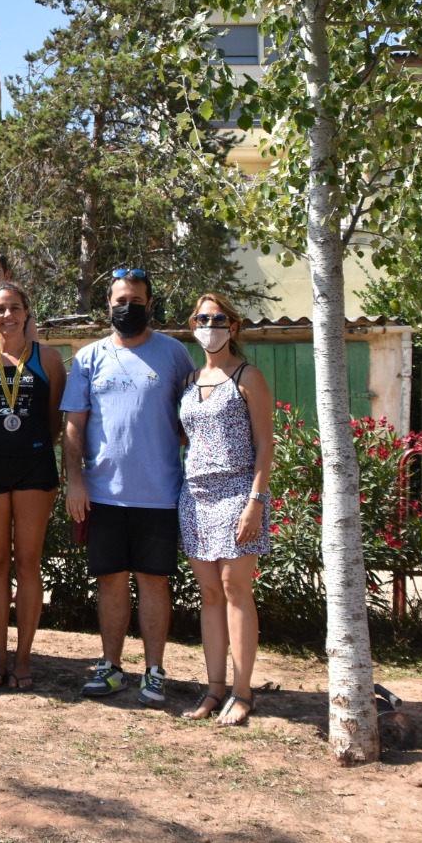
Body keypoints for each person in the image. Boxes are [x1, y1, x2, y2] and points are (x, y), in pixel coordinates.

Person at [61, 267, 195, 707]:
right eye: (120, 301)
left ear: (150, 304)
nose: (127, 308)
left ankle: (154, 672)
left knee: (154, 582)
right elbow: (73, 426)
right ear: (108, 306)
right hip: (102, 495)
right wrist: (75, 482)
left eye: (135, 301)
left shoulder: (175, 355)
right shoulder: (88, 358)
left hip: (159, 493)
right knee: (111, 582)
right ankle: (112, 666)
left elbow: (192, 420)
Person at [179, 293, 274, 726]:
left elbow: (265, 443)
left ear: (234, 326)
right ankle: (214, 688)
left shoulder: (247, 376)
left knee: (236, 590)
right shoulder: (190, 379)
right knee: (210, 595)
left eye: (218, 318)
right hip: (195, 496)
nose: (210, 325)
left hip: (239, 492)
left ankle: (242, 690)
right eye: (203, 318)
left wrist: (256, 501)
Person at [0, 283, 65, 691]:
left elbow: (54, 422)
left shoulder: (50, 358)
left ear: (27, 313)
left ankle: (23, 658)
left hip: (34, 468)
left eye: (14, 308)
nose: (7, 316)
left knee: (28, 563)